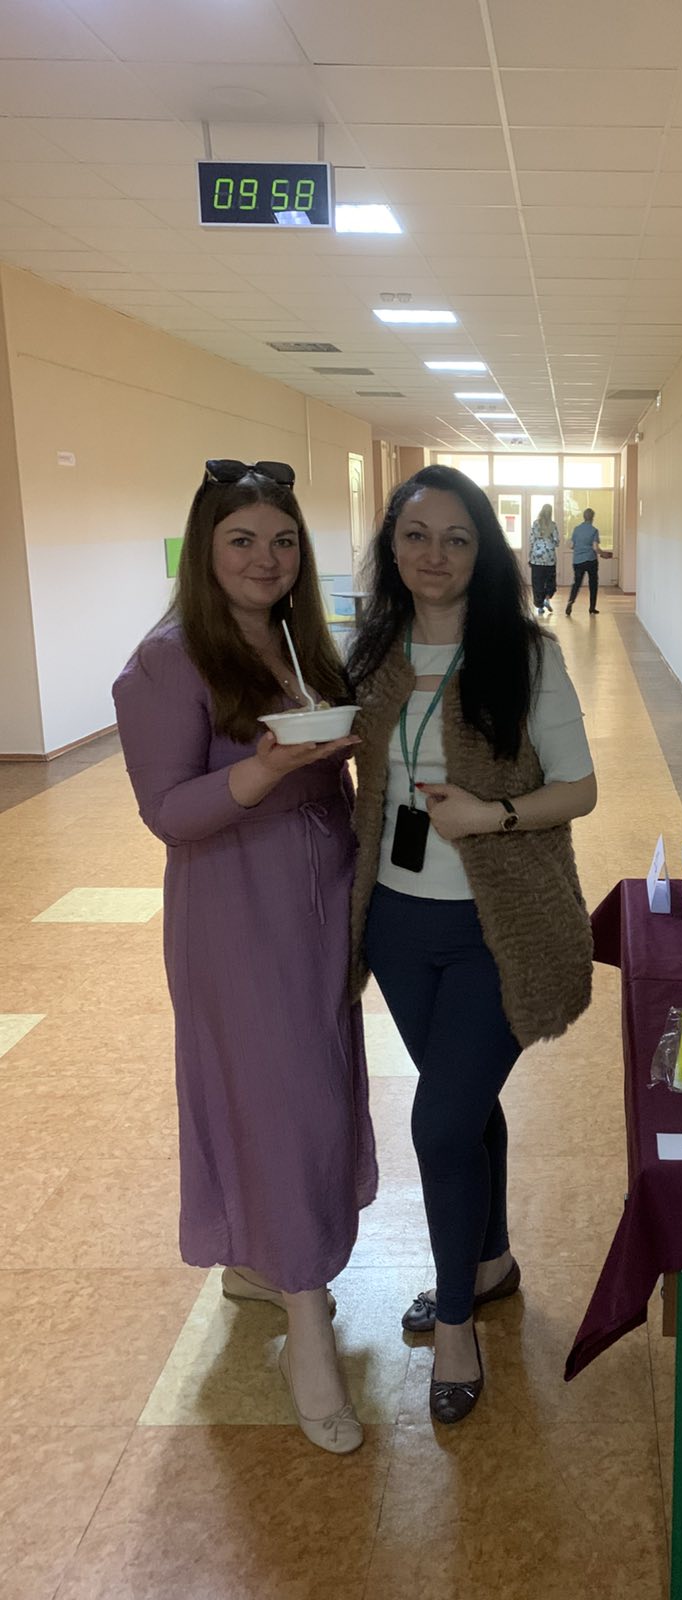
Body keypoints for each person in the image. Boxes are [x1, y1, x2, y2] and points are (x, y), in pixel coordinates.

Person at [112, 459, 378, 1455]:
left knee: (315, 1086)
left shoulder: (299, 639)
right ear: (204, 549)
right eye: (242, 541)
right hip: (236, 914)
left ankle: (264, 1258)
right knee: (276, 1099)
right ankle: (306, 1324)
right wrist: (265, 770)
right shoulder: (167, 660)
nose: (266, 560)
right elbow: (167, 811)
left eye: (283, 541)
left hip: (318, 903)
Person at [346, 465, 596, 1424]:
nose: (435, 555)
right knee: (466, 1100)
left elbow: (579, 788)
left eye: (457, 538)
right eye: (416, 535)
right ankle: (488, 1263)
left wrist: (489, 815)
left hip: (503, 924)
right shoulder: (373, 651)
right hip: (398, 924)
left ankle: (456, 1323)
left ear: (484, 550)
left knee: (442, 1123)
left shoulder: (524, 655)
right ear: (392, 546)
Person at [565, 508, 601, 616]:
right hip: (591, 560)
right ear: (592, 518)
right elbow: (595, 547)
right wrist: (603, 553)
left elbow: (572, 545)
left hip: (578, 561)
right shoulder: (594, 530)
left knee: (577, 583)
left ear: (583, 517)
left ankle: (570, 601)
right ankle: (592, 608)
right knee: (593, 583)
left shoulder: (577, 529)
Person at [528, 501, 559, 615]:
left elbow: (531, 540)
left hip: (536, 557)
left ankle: (540, 606)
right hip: (550, 558)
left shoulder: (536, 524)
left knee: (537, 581)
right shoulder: (553, 525)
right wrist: (549, 543)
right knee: (550, 580)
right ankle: (547, 598)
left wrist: (532, 552)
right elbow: (556, 541)